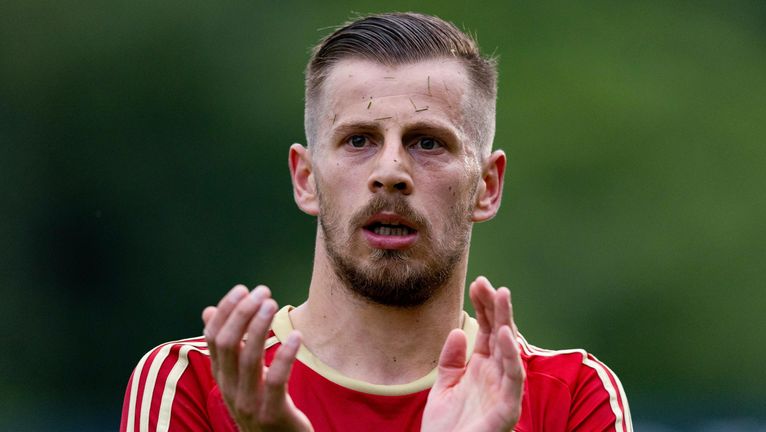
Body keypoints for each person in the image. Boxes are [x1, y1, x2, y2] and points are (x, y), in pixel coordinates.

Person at [120, 12, 632, 432]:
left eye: (427, 142)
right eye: (358, 140)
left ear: (487, 186)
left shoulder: (570, 396)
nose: (390, 172)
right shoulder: (195, 382)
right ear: (305, 178)